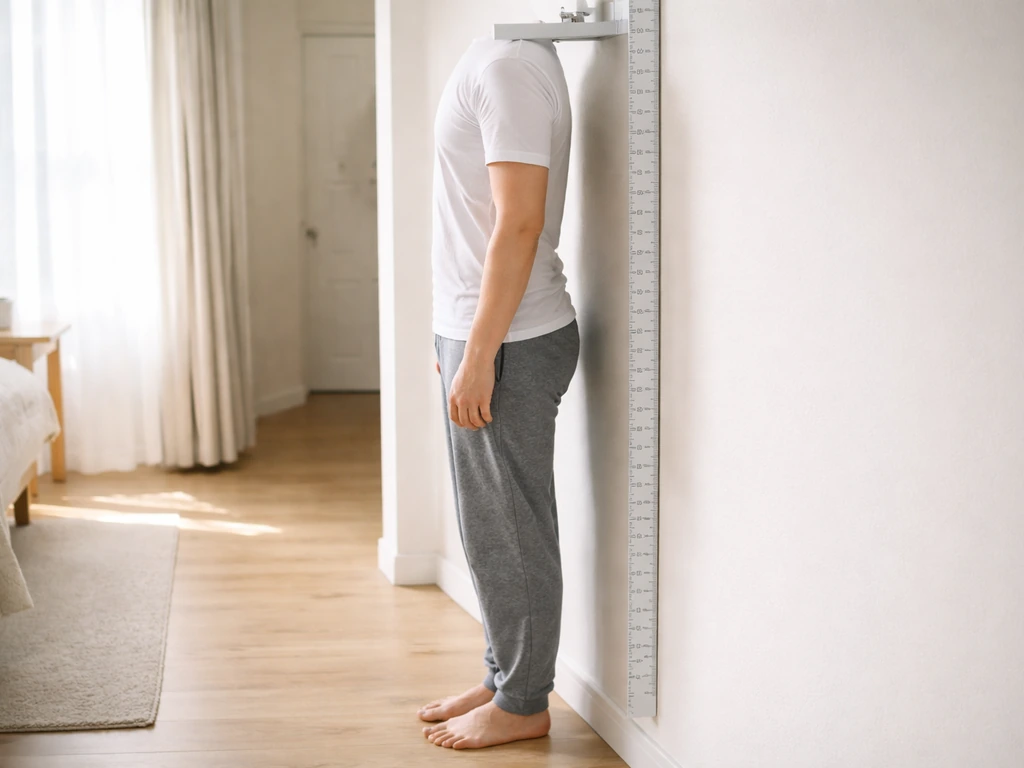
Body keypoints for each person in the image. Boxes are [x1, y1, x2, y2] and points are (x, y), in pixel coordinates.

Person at [418, 34, 579, 750]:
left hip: (507, 339)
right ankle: (501, 675)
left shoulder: (510, 67)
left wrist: (477, 352)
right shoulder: (503, 55)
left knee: (512, 535)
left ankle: (523, 702)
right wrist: (456, 341)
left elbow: (519, 220)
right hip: (481, 331)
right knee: (490, 530)